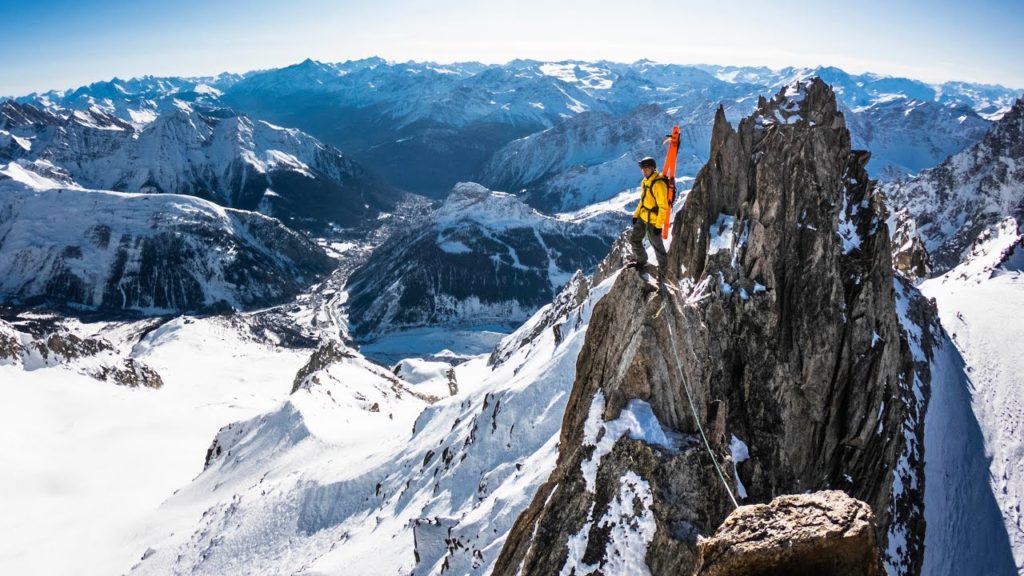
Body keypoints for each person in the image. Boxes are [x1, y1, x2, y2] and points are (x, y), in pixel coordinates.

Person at [628, 156, 670, 281]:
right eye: (642, 169)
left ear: (652, 169)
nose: (644, 171)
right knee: (634, 239)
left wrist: (658, 225)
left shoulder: (659, 184)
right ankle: (642, 261)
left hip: (653, 220)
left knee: (657, 247)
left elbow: (663, 207)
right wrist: (636, 215)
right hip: (643, 216)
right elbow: (643, 201)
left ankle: (663, 273)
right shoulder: (645, 182)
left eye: (646, 169)